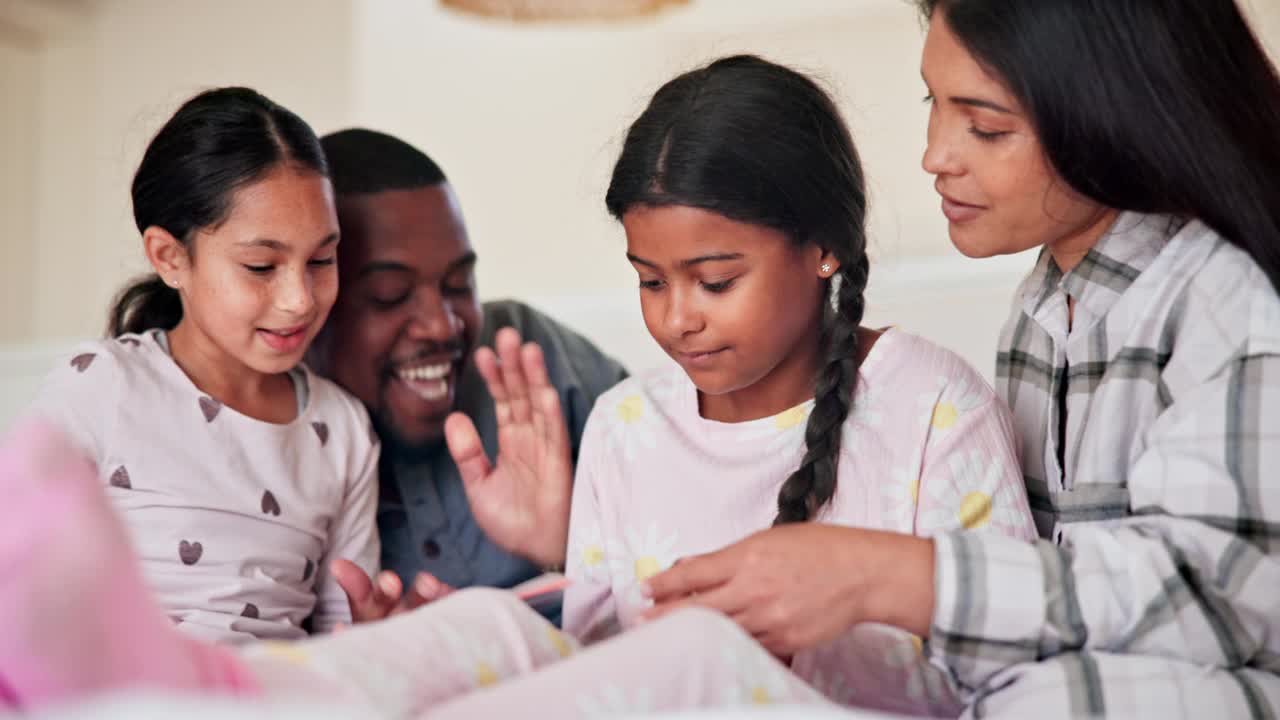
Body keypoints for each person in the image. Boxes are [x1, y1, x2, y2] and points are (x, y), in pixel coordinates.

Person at [0, 56, 1033, 718]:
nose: (676, 317)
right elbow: (586, 646)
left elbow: (1008, 662)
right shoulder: (634, 423)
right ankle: (202, 690)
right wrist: (549, 570)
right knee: (487, 628)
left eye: (712, 281)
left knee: (692, 655)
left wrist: (816, 619)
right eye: (646, 282)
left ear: (820, 251)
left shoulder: (932, 408)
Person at [643, 1, 1280, 717]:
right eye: (933, 104)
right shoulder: (1044, 309)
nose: (935, 155)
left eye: (985, 127)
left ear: (1116, 114)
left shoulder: (1233, 299)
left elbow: (1213, 600)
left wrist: (889, 577)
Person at [24, 87, 380, 644]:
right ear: (170, 258)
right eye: (261, 266)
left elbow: (346, 638)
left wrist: (383, 633)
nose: (301, 300)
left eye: (321, 260)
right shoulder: (102, 389)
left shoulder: (343, 430)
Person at [310, 129, 627, 620]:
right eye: (391, 294)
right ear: (310, 305)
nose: (442, 325)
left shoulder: (531, 356)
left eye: (459, 284)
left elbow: (689, 546)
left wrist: (569, 547)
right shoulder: (273, 452)